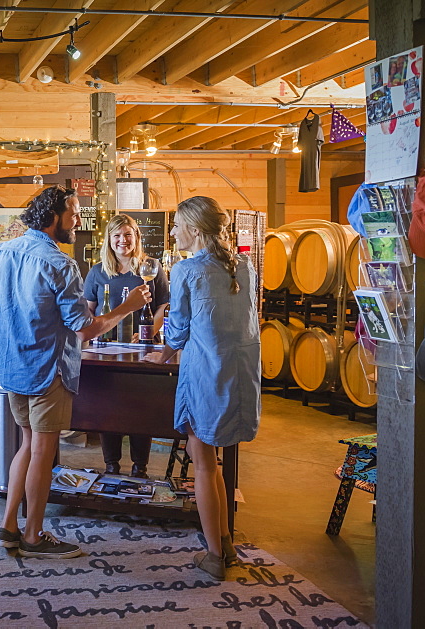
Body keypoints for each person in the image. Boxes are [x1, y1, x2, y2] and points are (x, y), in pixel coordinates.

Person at [0, 185, 151, 558]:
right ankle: (33, 536)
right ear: (54, 216)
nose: (78, 220)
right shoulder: (60, 263)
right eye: (73, 213)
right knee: (42, 449)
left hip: (12, 367)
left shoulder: (0, 254)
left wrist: (12, 341)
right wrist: (127, 306)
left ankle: (8, 527)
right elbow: (85, 328)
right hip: (48, 370)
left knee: (27, 444)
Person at [144, 196, 261, 581]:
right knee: (217, 465)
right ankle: (225, 542)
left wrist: (160, 356)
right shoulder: (244, 265)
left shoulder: (186, 270)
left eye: (177, 224)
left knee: (204, 466)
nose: (173, 231)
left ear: (194, 230)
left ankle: (213, 556)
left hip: (204, 373)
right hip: (239, 373)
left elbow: (177, 330)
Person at [82, 213, 169, 478]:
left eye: (128, 234)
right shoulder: (97, 271)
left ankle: (139, 466)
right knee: (110, 409)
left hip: (142, 349)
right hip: (106, 349)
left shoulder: (151, 267)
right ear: (109, 239)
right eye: (117, 235)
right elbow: (88, 311)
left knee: (140, 408)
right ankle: (111, 464)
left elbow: (162, 306)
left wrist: (147, 333)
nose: (123, 240)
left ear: (137, 237)